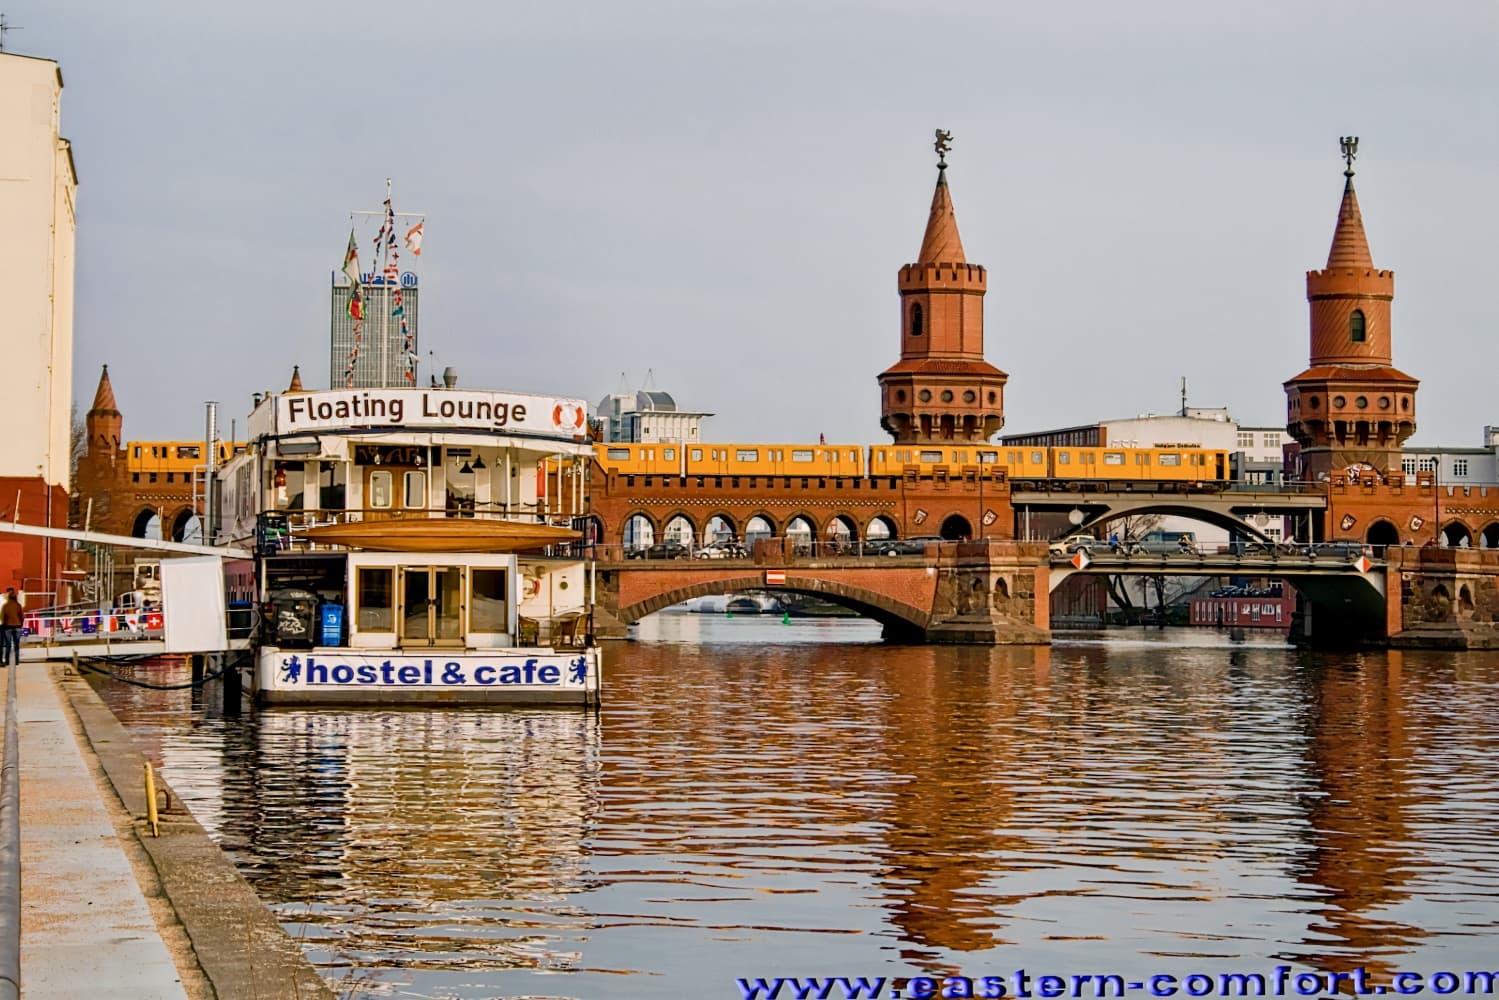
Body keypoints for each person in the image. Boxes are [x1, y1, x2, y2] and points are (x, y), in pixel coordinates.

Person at [1, 589, 23, 666]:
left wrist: (4, 624)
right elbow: (22, 616)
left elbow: (3, 617)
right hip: (17, 626)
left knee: (8, 644)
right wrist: (21, 624)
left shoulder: (5, 606)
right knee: (16, 644)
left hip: (7, 627)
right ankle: (16, 661)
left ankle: (7, 661)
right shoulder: (18, 605)